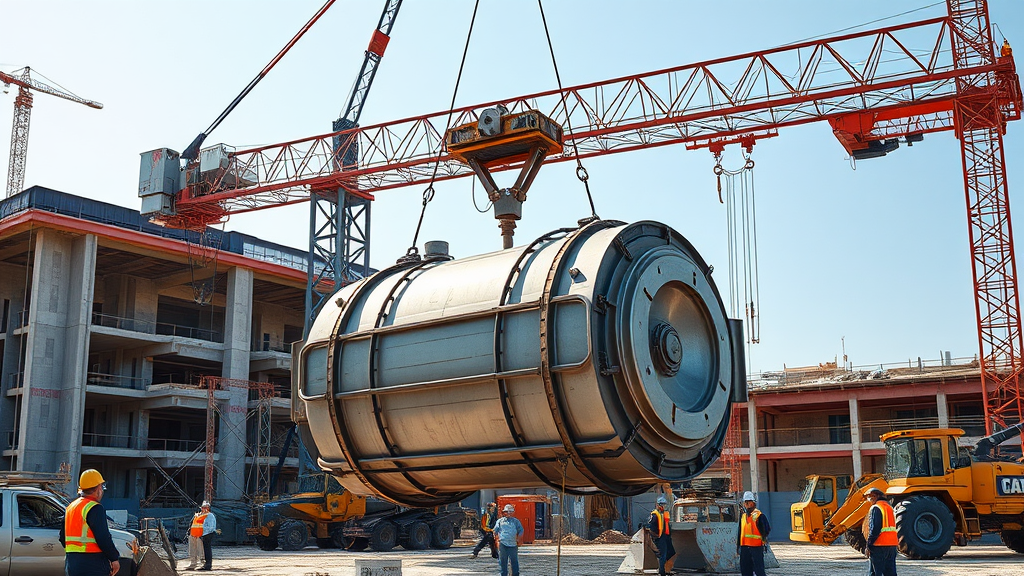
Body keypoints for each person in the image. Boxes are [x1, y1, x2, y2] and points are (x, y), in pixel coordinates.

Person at [59, 469, 121, 576]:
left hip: (72, 563)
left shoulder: (70, 507)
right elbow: (103, 537)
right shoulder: (94, 508)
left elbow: (62, 537)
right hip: (93, 563)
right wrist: (114, 558)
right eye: (101, 487)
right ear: (98, 488)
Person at [863, 487, 898, 576]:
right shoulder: (889, 507)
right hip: (892, 546)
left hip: (879, 546)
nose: (869, 500)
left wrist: (869, 546)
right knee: (890, 573)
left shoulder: (876, 508)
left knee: (874, 573)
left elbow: (874, 529)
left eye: (871, 497)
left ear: (876, 496)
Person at [737, 491, 770, 576]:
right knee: (745, 570)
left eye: (749, 502)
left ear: (753, 503)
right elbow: (740, 532)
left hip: (756, 547)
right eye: (746, 502)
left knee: (759, 570)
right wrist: (738, 546)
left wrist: (763, 542)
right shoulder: (743, 516)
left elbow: (766, 530)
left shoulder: (759, 516)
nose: (747, 504)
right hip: (744, 548)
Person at [646, 495, 675, 576]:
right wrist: (655, 536)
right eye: (662, 505)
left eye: (664, 505)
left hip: (666, 537)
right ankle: (662, 572)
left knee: (671, 552)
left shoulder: (665, 513)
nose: (664, 506)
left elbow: (667, 525)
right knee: (663, 554)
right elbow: (651, 527)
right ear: (658, 505)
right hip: (660, 537)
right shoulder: (655, 515)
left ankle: (664, 568)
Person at [493, 503, 524, 576]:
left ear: (513, 513)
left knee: (514, 561)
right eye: (507, 511)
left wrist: (519, 539)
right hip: (503, 544)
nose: (508, 513)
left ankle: (515, 574)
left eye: (510, 511)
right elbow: (495, 531)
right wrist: (497, 540)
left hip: (513, 544)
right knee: (503, 561)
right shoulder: (500, 521)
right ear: (504, 512)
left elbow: (521, 530)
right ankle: (503, 574)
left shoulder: (516, 521)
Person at [185, 502, 208, 570]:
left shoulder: (207, 516)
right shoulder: (197, 515)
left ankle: (203, 563)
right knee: (192, 549)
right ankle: (193, 563)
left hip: (200, 536)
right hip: (193, 535)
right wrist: (189, 532)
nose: (203, 509)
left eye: (205, 507)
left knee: (201, 550)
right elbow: (192, 524)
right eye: (203, 507)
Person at [198, 501, 217, 571]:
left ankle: (208, 564)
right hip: (204, 534)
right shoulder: (203, 515)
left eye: (204, 508)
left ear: (208, 508)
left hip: (208, 534)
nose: (203, 509)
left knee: (207, 549)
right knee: (205, 549)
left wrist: (204, 532)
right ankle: (206, 564)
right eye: (202, 508)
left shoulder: (210, 516)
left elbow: (211, 527)